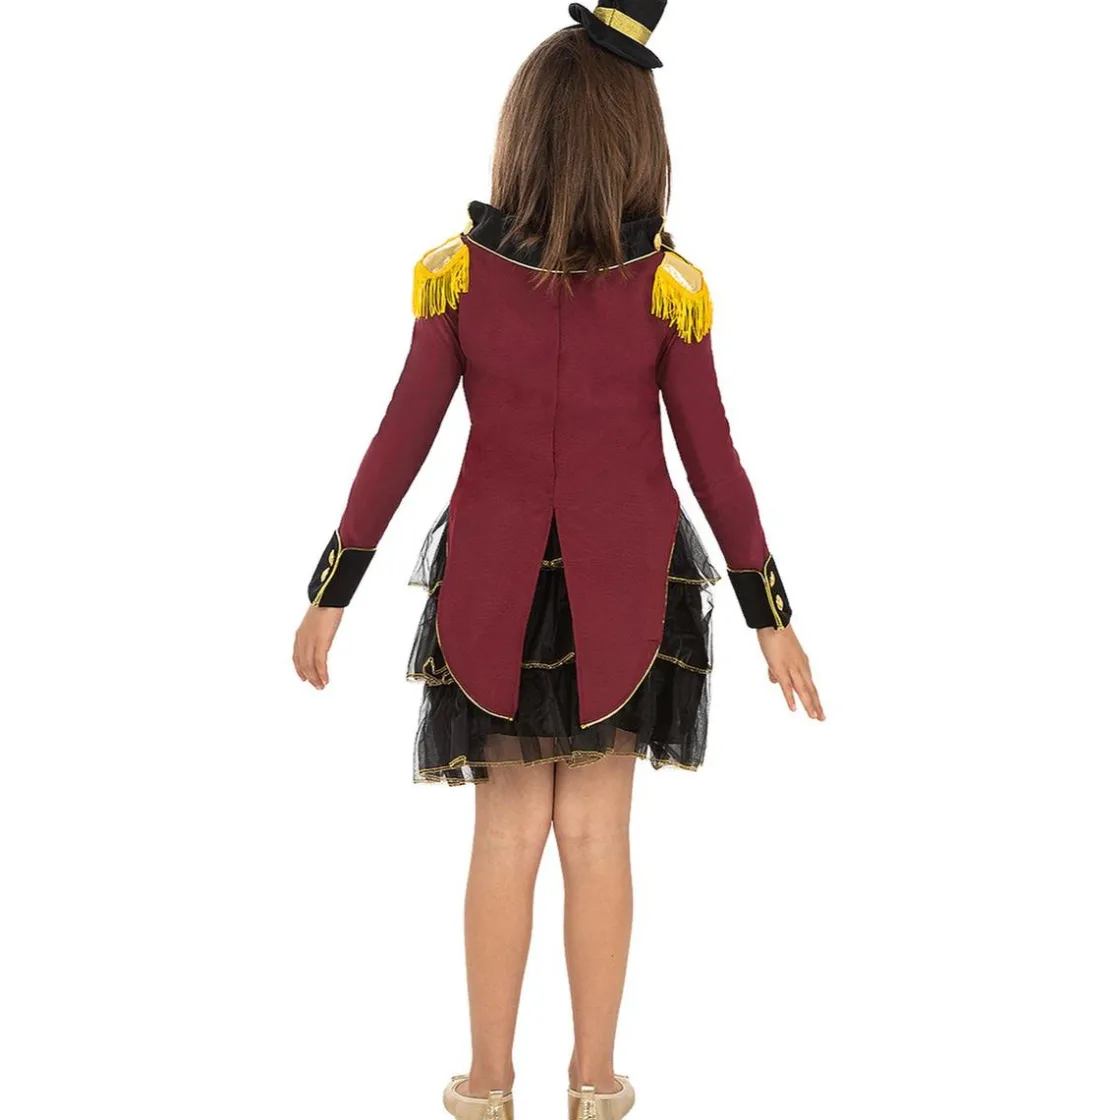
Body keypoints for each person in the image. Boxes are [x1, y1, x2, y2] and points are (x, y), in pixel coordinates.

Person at [292, 3, 823, 1117]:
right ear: (639, 141)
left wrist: (332, 588)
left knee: (503, 835)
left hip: (491, 587)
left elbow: (400, 438)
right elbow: (714, 460)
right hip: (627, 591)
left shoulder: (459, 276)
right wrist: (769, 613)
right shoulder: (669, 288)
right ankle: (594, 1083)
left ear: (523, 133)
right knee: (596, 834)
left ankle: (487, 1087)